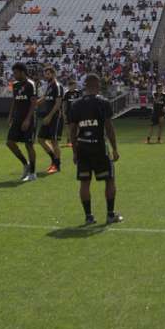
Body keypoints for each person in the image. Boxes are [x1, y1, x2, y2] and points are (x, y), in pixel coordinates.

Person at [68, 74, 122, 226]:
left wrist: (74, 152)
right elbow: (109, 128)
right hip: (99, 147)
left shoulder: (76, 104)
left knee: (84, 182)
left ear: (85, 86)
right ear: (97, 85)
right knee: (109, 180)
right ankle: (110, 215)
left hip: (82, 147)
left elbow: (72, 131)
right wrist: (115, 149)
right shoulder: (103, 102)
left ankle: (89, 217)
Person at [6, 62, 38, 182]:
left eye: (15, 73)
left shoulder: (31, 84)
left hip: (29, 118)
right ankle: (26, 164)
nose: (14, 75)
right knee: (10, 142)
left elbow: (34, 103)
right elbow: (14, 101)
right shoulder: (15, 85)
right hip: (17, 118)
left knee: (28, 145)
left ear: (22, 72)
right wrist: (10, 116)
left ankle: (33, 173)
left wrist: (28, 119)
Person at [36, 66, 65, 174]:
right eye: (45, 74)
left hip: (55, 117)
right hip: (47, 116)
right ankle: (54, 160)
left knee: (54, 141)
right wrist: (34, 103)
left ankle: (57, 165)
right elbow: (44, 98)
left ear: (53, 74)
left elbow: (58, 104)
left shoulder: (57, 86)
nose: (46, 76)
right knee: (40, 139)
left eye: (48, 74)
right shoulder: (49, 86)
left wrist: (49, 116)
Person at [62, 79, 82, 147]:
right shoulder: (66, 94)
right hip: (69, 113)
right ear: (70, 86)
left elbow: (80, 102)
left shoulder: (78, 92)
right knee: (69, 127)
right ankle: (69, 140)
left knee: (79, 126)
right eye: (74, 85)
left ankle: (78, 140)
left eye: (75, 85)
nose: (75, 86)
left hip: (77, 112)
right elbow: (64, 104)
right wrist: (64, 113)